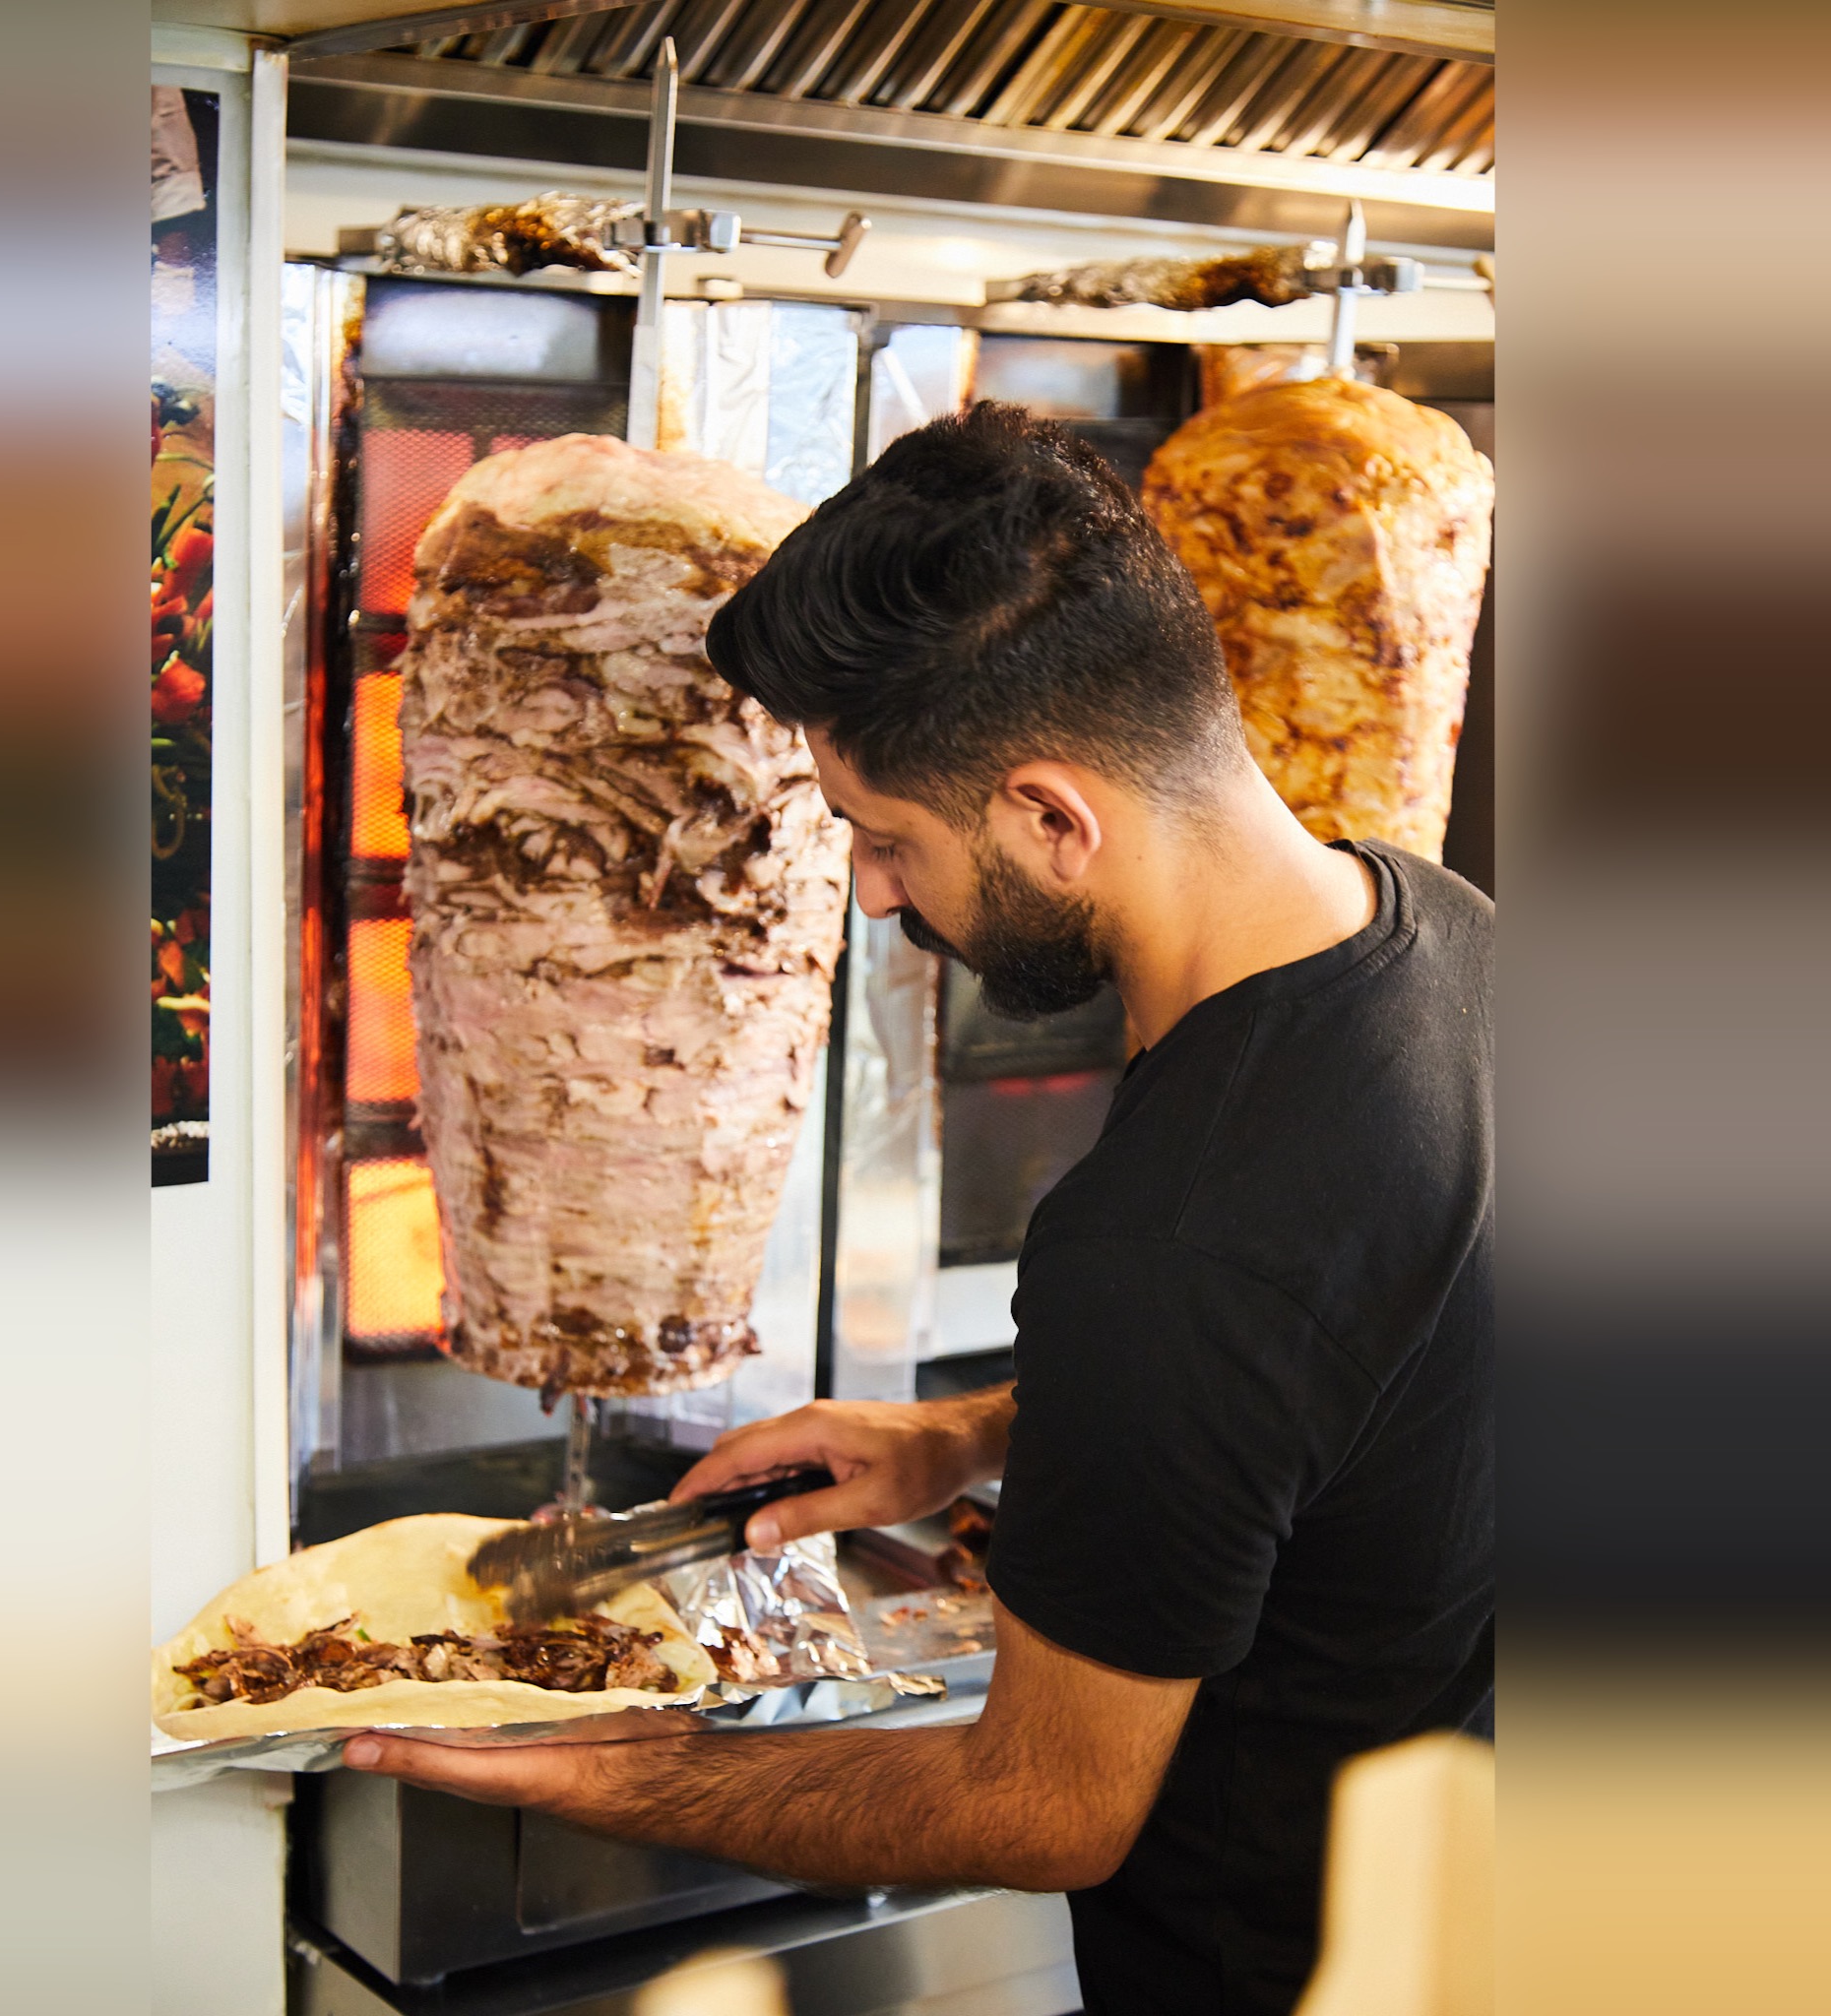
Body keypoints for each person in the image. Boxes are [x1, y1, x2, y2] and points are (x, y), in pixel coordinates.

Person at [344, 403, 1493, 2016]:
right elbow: (1351, 1369)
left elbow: (1043, 1808)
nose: (876, 896)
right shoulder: (1449, 938)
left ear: (1052, 817)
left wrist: (614, 1769)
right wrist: (975, 1436)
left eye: (885, 841)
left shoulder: (1172, 1240)